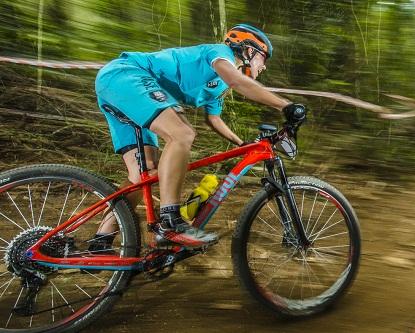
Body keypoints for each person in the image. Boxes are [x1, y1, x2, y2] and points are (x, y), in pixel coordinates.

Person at [89, 24, 306, 250]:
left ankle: (100, 240)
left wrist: (242, 144)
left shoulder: (218, 86)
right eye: (264, 58)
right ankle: (170, 222)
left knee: (142, 174)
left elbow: (215, 120)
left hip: (120, 89)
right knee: (181, 133)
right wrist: (286, 105)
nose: (264, 66)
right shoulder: (220, 54)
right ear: (248, 49)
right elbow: (238, 81)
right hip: (127, 74)